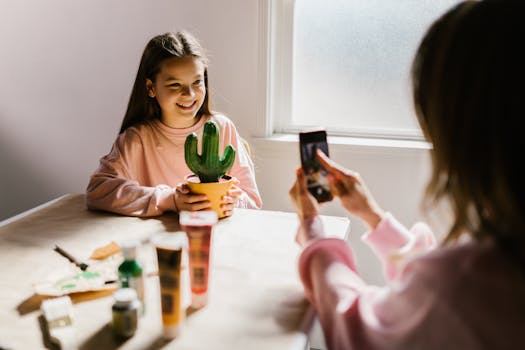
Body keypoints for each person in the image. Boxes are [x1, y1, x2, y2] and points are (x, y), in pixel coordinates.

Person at [289, 1, 525, 349]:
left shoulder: (463, 284)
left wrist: (313, 230)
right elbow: (432, 299)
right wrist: (374, 218)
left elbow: (355, 326)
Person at [86, 32, 262, 217]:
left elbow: (253, 201)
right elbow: (97, 190)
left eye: (197, 82)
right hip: (159, 241)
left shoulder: (223, 128)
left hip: (213, 237)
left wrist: (233, 202)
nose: (189, 94)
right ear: (151, 88)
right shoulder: (137, 138)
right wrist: (170, 200)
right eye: (175, 85)